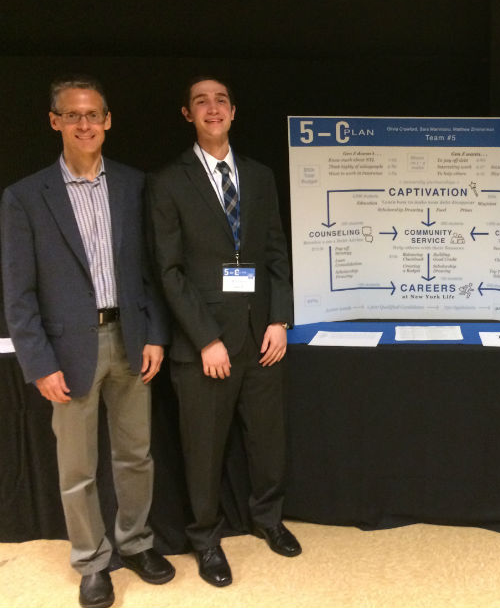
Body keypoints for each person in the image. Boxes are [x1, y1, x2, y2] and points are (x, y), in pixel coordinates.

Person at [1, 75, 174, 608]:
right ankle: (92, 562)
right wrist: (37, 361)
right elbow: (18, 291)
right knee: (76, 468)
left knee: (136, 455)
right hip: (67, 351)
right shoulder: (25, 197)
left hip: (131, 338)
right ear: (55, 121)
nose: (84, 124)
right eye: (72, 115)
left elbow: (149, 271)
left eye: (93, 114)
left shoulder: (133, 185)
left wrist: (155, 334)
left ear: (108, 121)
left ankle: (136, 542)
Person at [147, 76, 300, 588]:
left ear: (233, 111)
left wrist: (280, 319)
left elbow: (277, 253)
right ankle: (205, 537)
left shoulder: (258, 176)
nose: (212, 109)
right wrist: (204, 338)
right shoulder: (168, 181)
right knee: (203, 447)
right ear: (187, 114)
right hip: (204, 343)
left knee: (268, 440)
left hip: (261, 336)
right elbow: (167, 271)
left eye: (220, 101)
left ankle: (268, 519)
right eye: (200, 102)